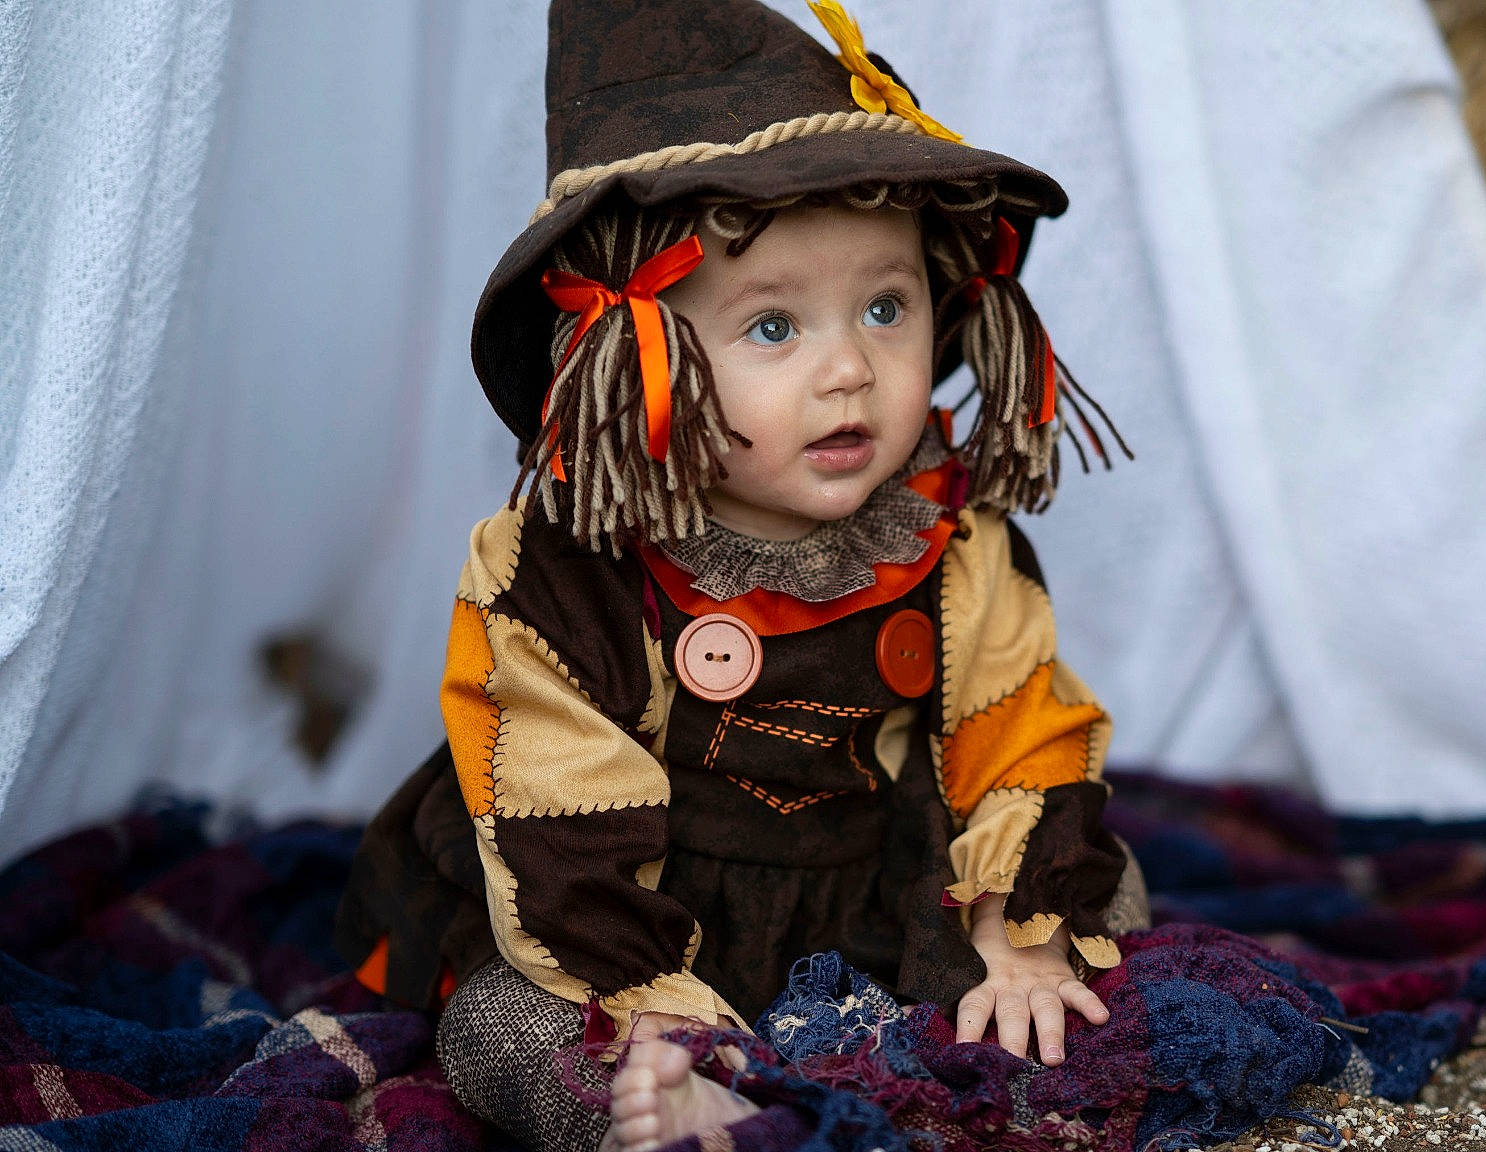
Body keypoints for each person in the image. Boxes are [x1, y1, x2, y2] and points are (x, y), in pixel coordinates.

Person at [332, 1, 1144, 1149]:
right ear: (632, 359)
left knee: (1099, 892)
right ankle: (663, 1105)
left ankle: (961, 1010)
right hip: (634, 902)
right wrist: (649, 1011)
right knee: (500, 1032)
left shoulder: (951, 544)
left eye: (884, 305)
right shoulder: (557, 578)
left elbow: (1016, 739)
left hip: (869, 887)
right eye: (773, 327)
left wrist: (1019, 935)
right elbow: (562, 827)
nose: (852, 369)